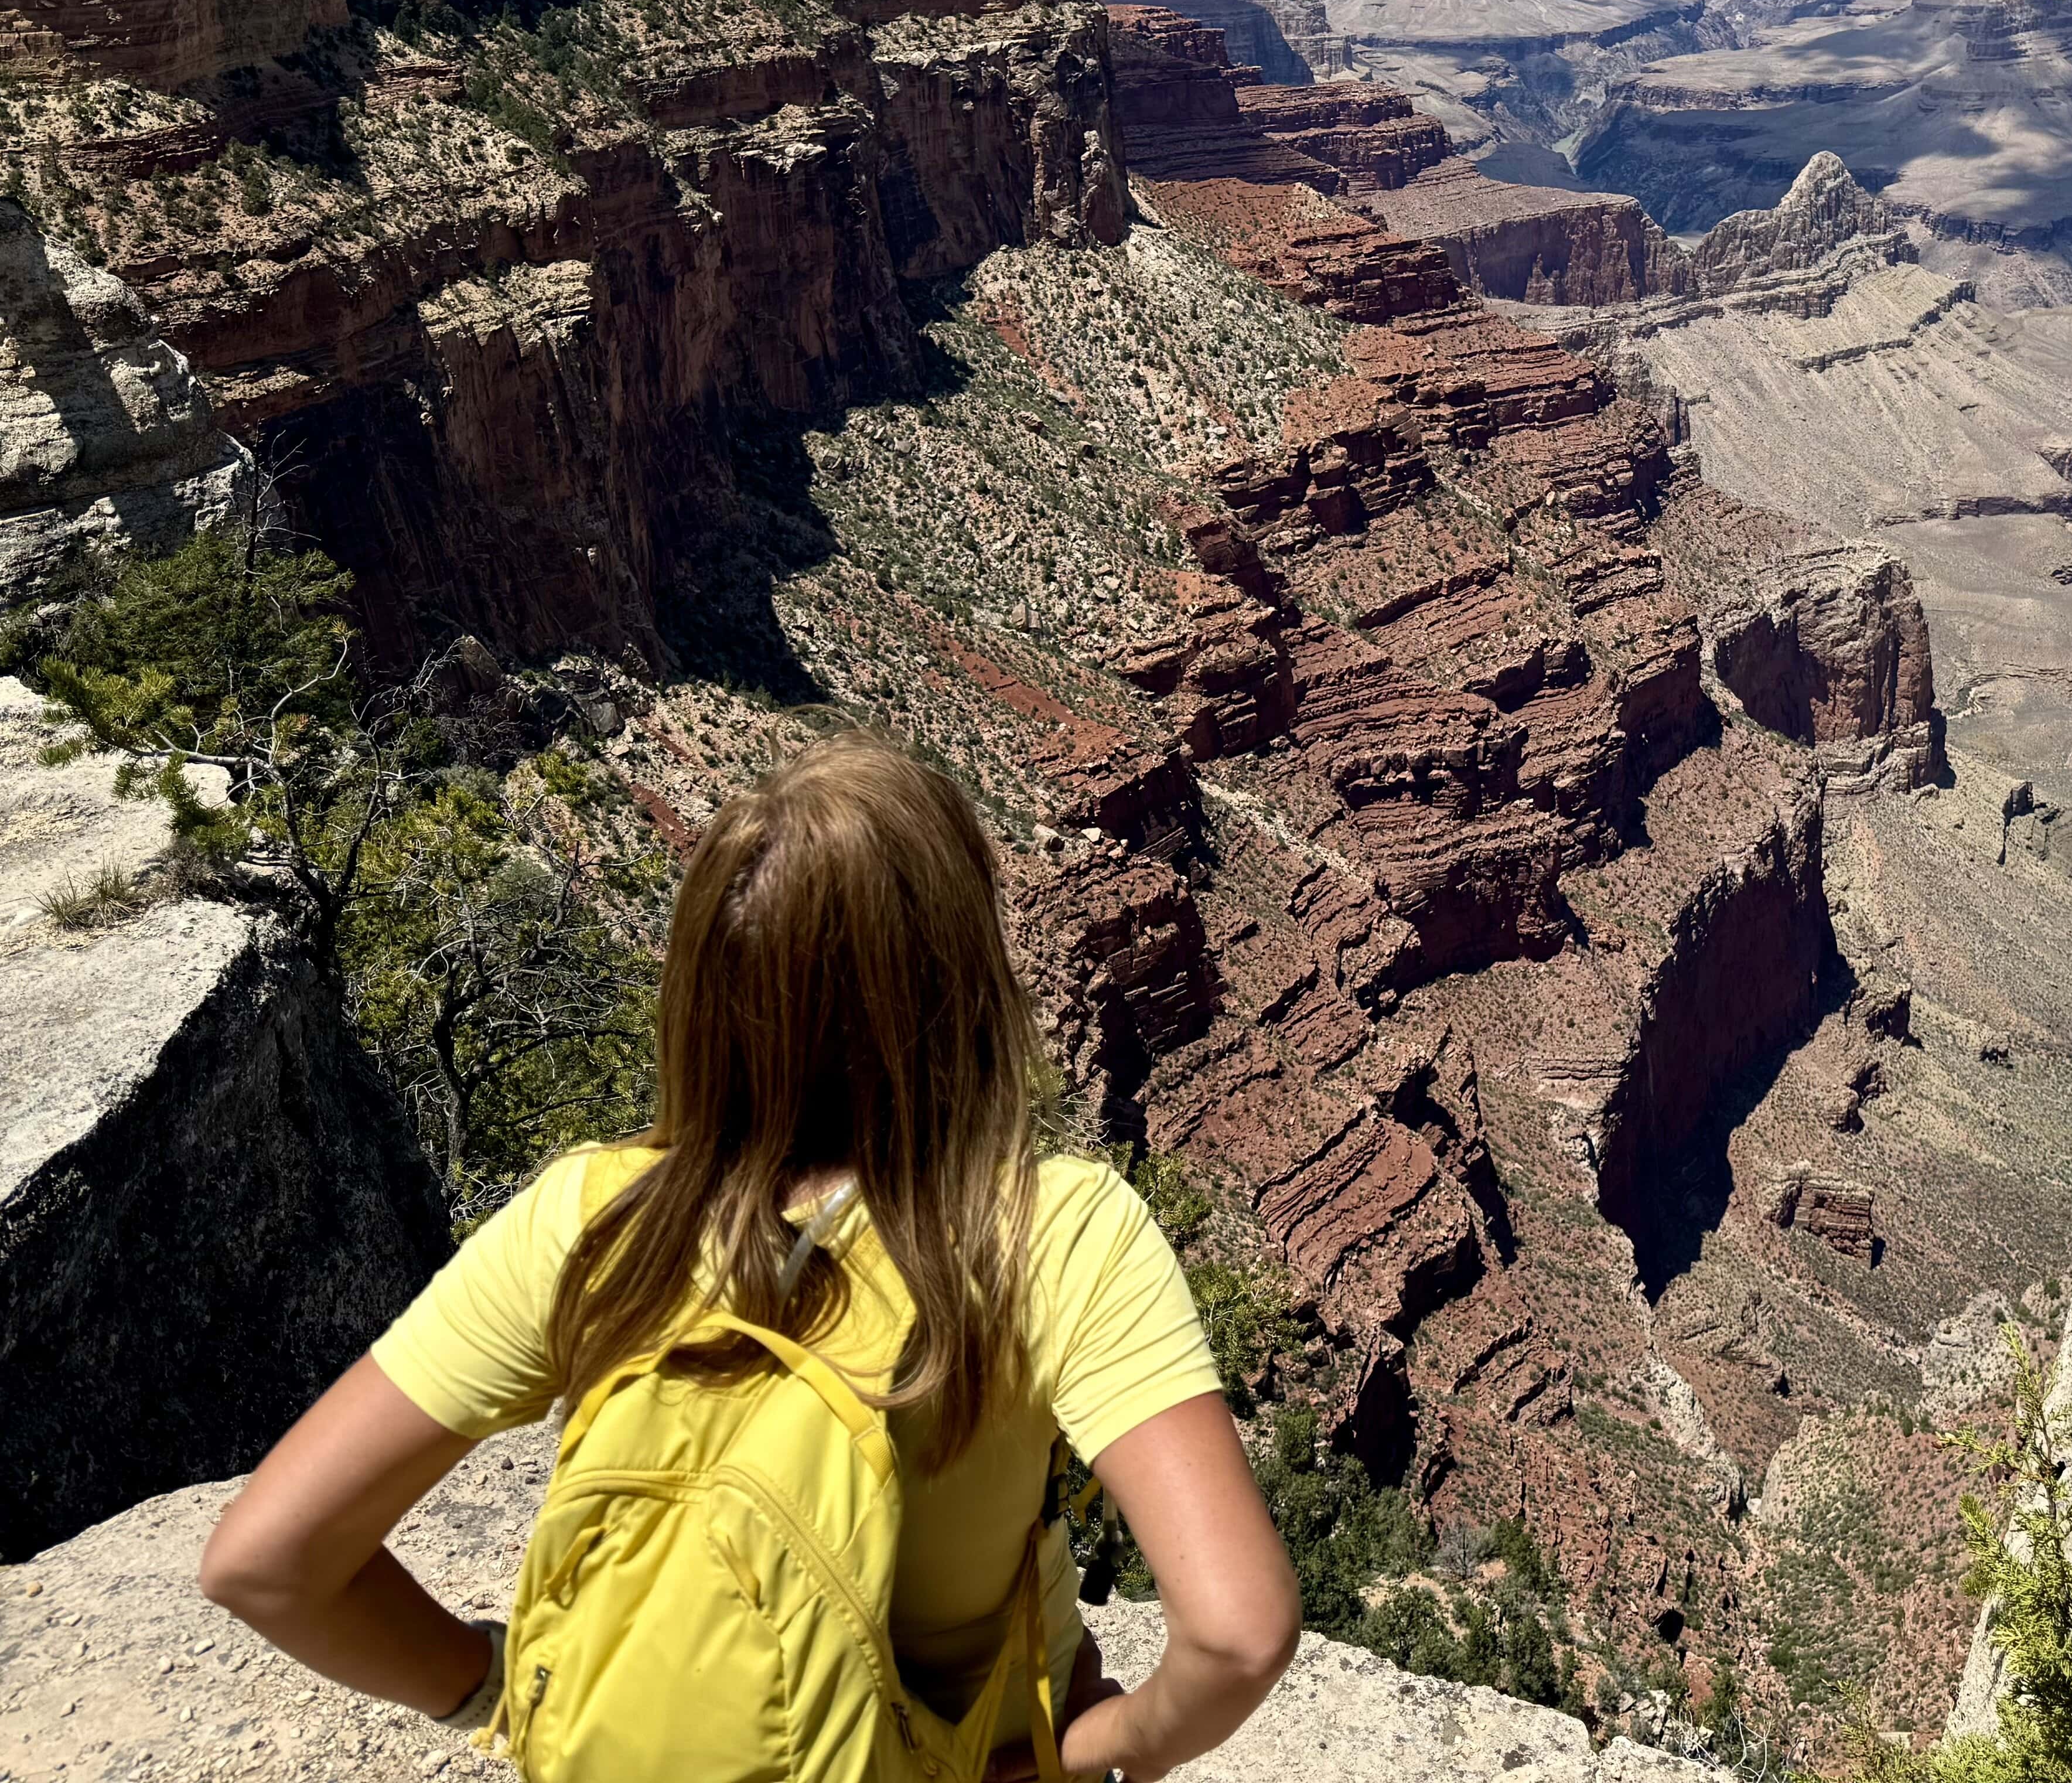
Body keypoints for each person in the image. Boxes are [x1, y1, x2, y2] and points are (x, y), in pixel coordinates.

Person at [197, 735, 1300, 1781]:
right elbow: (1237, 1635)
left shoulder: (591, 1219)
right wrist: (1116, 1742)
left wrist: (494, 1692)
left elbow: (265, 1561)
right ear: (962, 974)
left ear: (702, 994)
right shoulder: (1055, 1232)